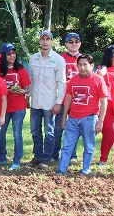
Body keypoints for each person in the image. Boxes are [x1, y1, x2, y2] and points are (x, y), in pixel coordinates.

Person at [57, 55, 108, 175]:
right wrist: (64, 118)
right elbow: (68, 99)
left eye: (85, 64)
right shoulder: (73, 80)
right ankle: (61, 169)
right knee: (67, 146)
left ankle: (86, 169)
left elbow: (104, 101)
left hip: (90, 118)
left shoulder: (98, 80)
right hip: (73, 118)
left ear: (92, 65)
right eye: (79, 65)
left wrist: (100, 121)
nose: (82, 67)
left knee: (89, 145)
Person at [27, 30, 67, 169]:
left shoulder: (58, 60)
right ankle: (37, 156)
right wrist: (28, 97)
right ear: (39, 41)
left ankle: (47, 157)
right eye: (42, 39)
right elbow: (31, 80)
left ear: (52, 41)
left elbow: (62, 82)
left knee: (49, 131)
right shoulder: (33, 58)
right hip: (36, 102)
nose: (45, 42)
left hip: (50, 102)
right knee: (34, 131)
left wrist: (58, 103)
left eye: (47, 39)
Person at [0, 43, 31, 170]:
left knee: (17, 134)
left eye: (14, 53)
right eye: (9, 53)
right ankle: (1, 158)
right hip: (3, 107)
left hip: (18, 107)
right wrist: (7, 90)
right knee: (1, 133)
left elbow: (27, 88)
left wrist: (23, 91)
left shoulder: (21, 69)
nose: (12, 56)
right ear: (4, 55)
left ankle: (17, 160)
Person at [54, 32, 82, 164]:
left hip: (78, 101)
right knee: (58, 128)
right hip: (62, 98)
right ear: (65, 44)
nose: (73, 44)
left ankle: (72, 155)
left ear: (80, 44)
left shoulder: (83, 59)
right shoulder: (60, 59)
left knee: (73, 129)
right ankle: (54, 154)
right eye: (70, 41)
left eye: (76, 41)